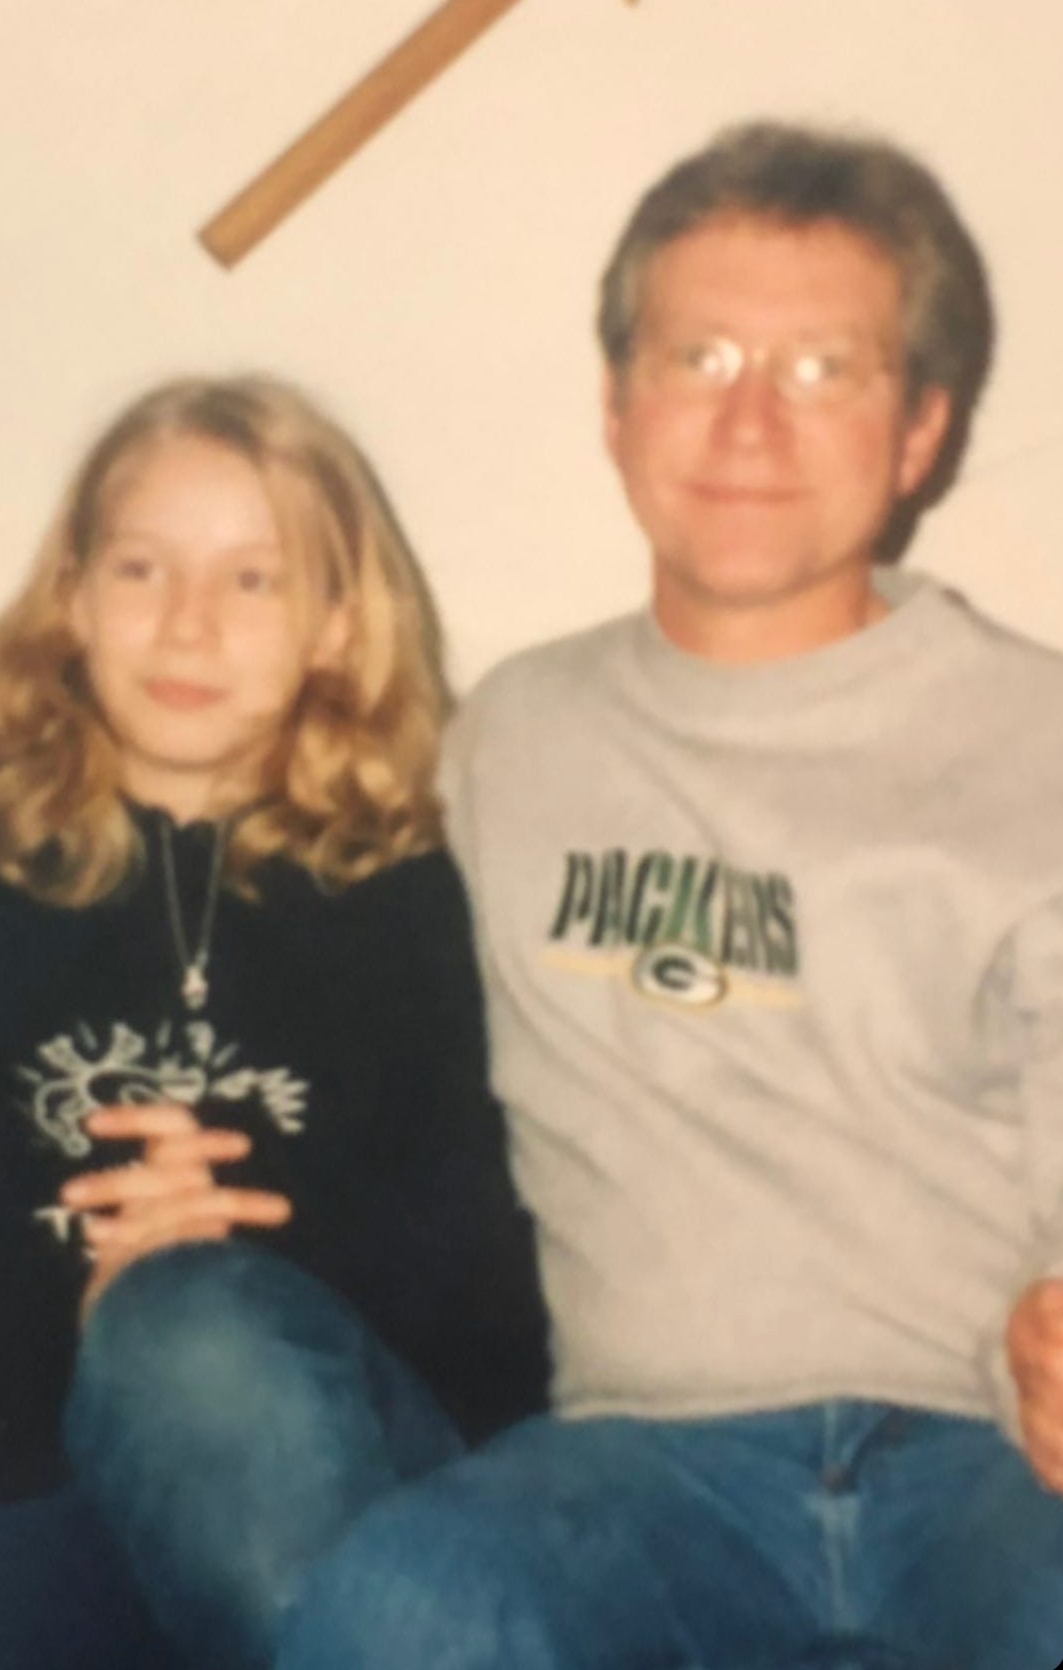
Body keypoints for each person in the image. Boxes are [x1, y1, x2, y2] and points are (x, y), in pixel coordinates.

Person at [257, 123, 1063, 1670]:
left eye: (821, 367)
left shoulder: (1040, 737)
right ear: (615, 408)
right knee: (402, 1610)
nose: (749, 420)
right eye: (697, 357)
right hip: (637, 1475)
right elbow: (299, 945)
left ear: (920, 431)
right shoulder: (502, 737)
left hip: (988, 1463)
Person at [0, 375, 547, 1670]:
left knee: (195, 1336)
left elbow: (500, 1332)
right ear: (72, 599)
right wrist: (95, 1297)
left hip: (352, 1509)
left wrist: (228, 1270)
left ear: (336, 627)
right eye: (141, 569)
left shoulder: (427, 914)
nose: (187, 625)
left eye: (253, 580)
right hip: (34, 1524)